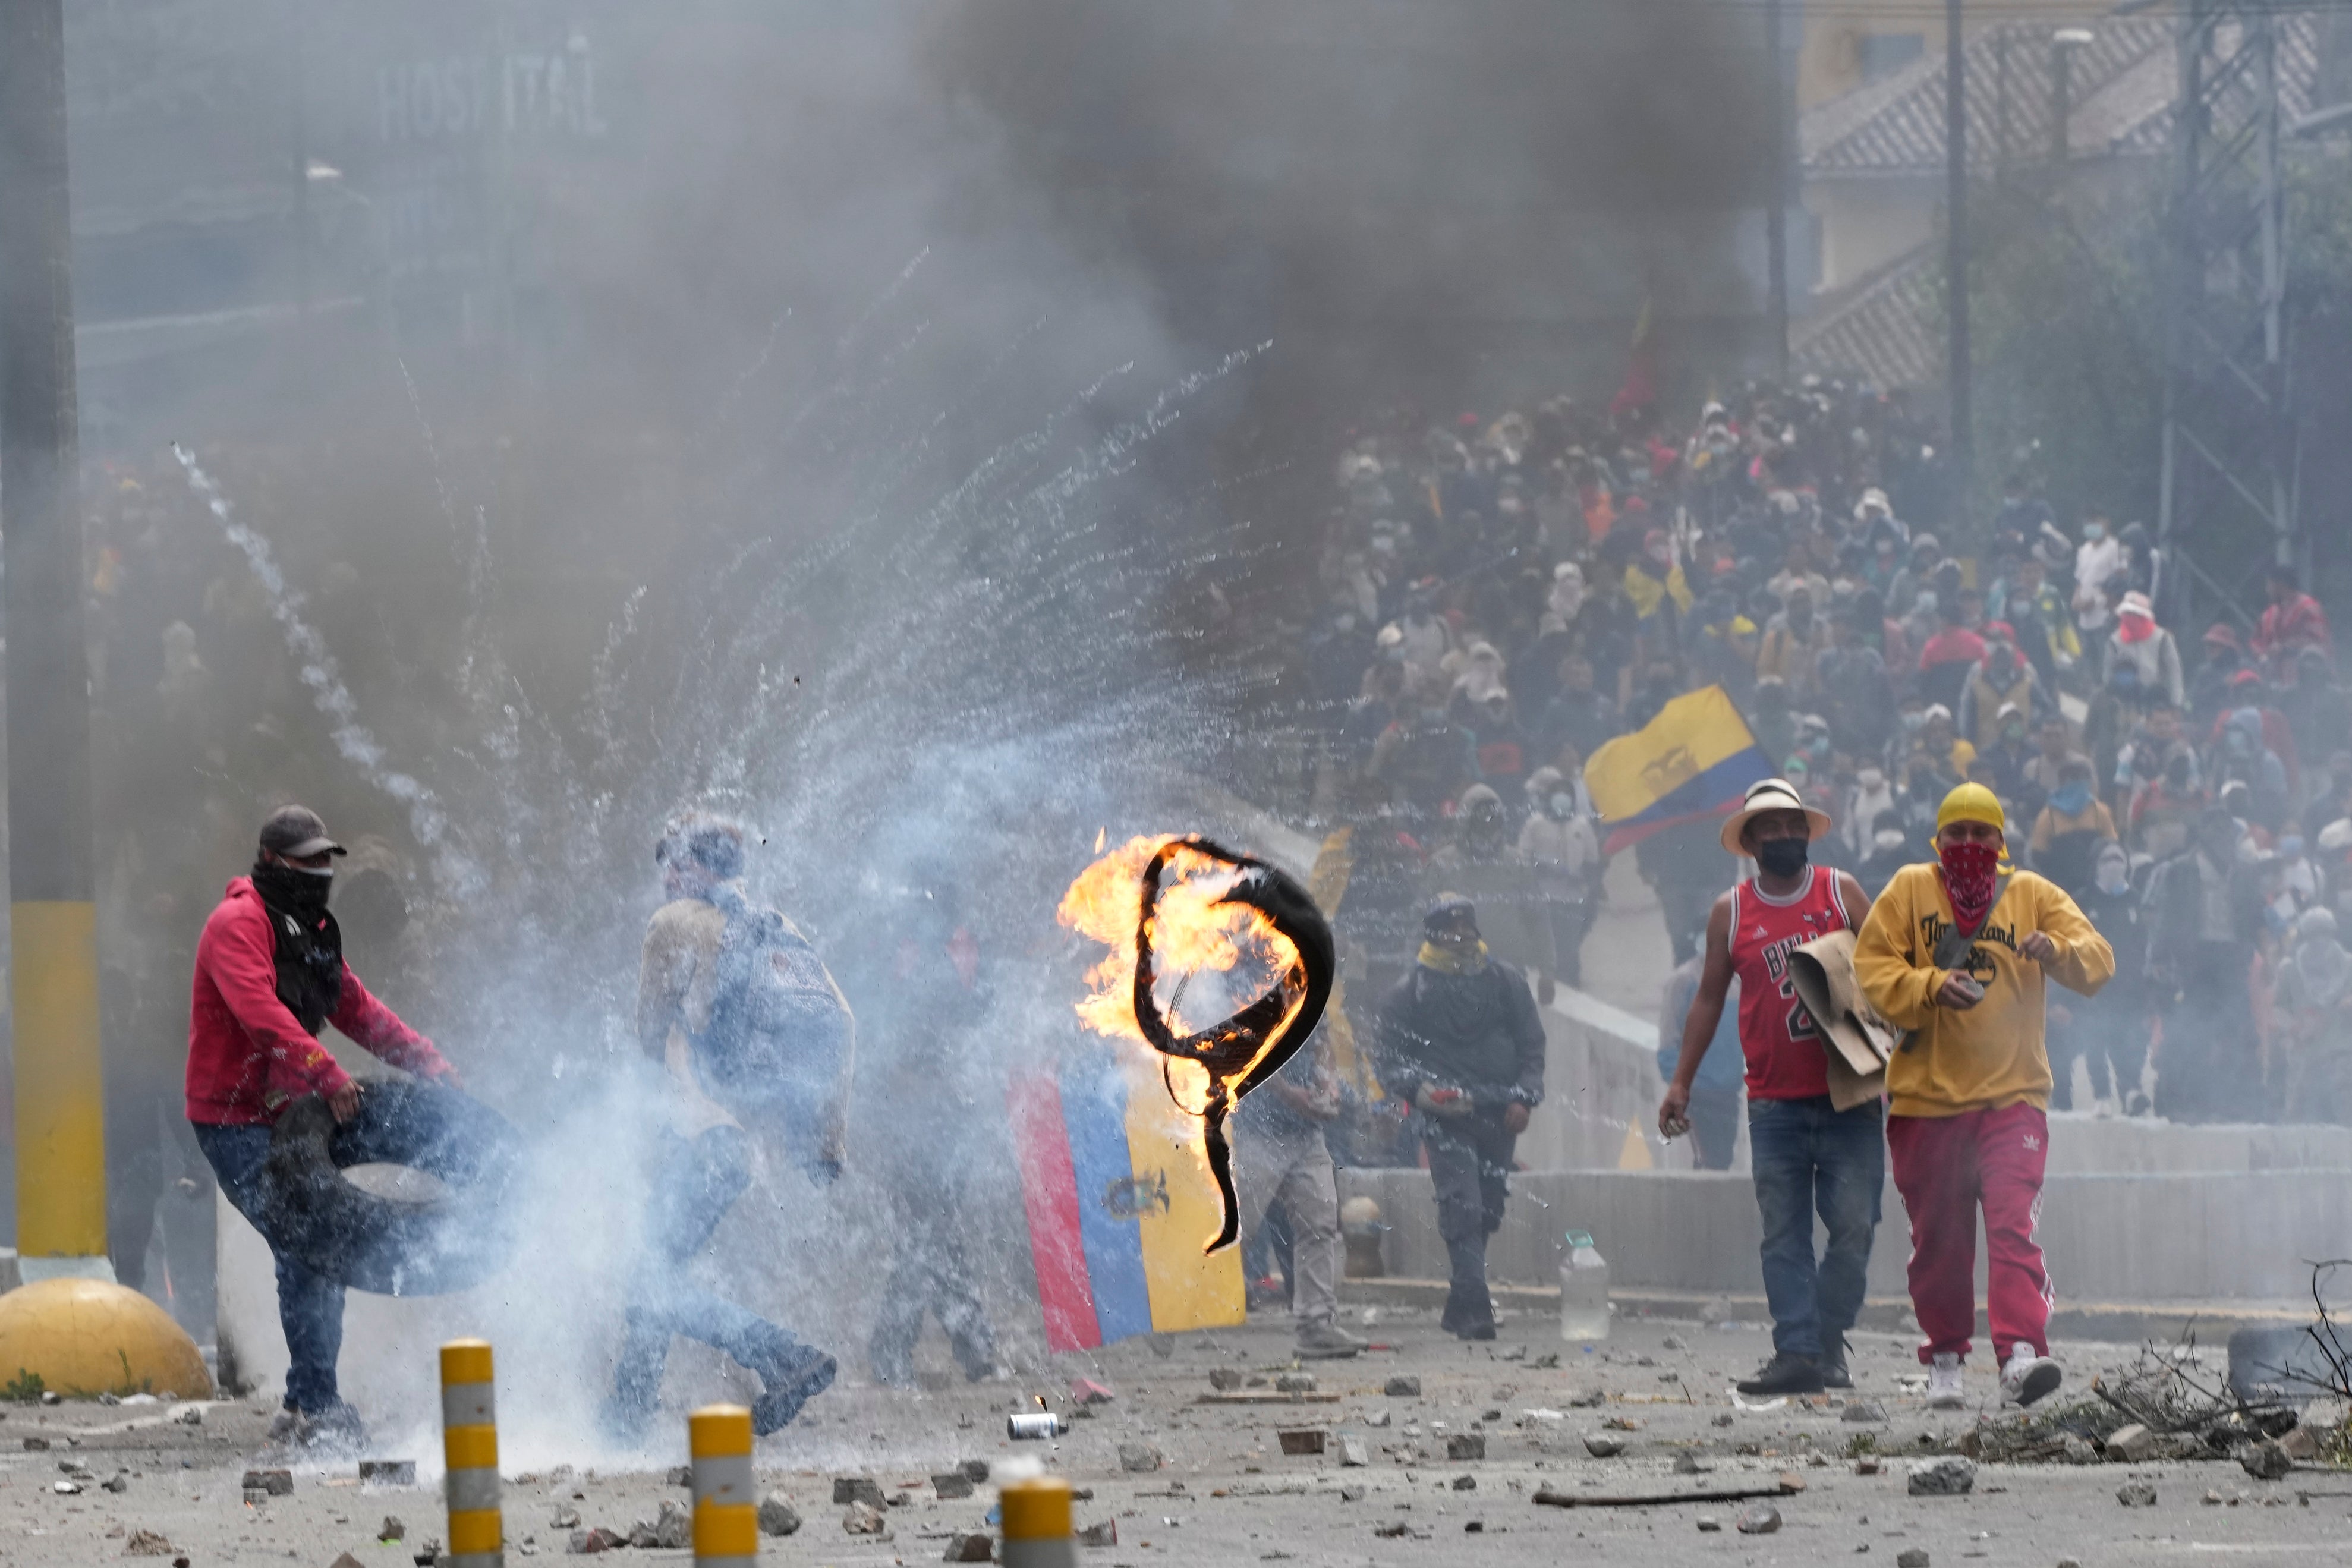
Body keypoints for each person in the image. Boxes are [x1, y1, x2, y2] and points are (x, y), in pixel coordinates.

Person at [187, 806, 458, 1449]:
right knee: (307, 1241)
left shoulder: (308, 930)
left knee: (319, 1243)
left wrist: (431, 1065)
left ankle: (304, 1402)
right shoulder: (236, 925)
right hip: (232, 1119)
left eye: (324, 860)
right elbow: (261, 1013)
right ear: (272, 861)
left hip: (290, 1112)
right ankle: (314, 1407)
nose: (319, 871)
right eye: (306, 860)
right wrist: (328, 1073)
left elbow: (357, 1009)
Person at [1853, 783, 2114, 1411]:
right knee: (1939, 1243)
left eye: (1981, 834)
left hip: (2012, 1099)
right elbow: (1872, 971)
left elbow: (2099, 961)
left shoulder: (2033, 894)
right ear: (1937, 841)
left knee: (2011, 1226)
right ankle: (1945, 1357)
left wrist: (2057, 950)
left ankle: (2020, 1354)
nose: (1968, 844)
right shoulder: (1908, 888)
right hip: (1926, 1105)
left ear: (2001, 842)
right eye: (1957, 834)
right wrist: (1930, 985)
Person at [605, 814, 846, 1443]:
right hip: (744, 1146)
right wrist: (824, 1143)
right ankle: (626, 1414)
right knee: (659, 1267)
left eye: (677, 864)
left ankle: (782, 1354)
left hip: (701, 1137)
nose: (667, 877)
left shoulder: (675, 924)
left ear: (701, 869)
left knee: (648, 1277)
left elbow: (648, 1035)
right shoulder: (777, 928)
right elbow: (840, 1023)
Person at [1657, 779, 1878, 1396]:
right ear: (1750, 842)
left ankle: (1827, 1339)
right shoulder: (1730, 912)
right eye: (1771, 828)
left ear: (1806, 832)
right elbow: (1707, 999)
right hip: (1773, 1101)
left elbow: (1891, 968)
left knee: (1855, 1228)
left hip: (1850, 1094)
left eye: (1792, 826)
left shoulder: (1841, 891)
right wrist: (1681, 1081)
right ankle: (1796, 1351)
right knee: (1783, 1233)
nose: (1784, 836)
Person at [858, 871, 1006, 1389]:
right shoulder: (900, 956)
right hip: (910, 1118)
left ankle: (947, 1345)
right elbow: (884, 1040)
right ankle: (960, 1345)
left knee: (932, 1234)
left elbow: (973, 1020)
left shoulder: (953, 955)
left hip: (946, 1117)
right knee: (929, 1234)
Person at [1374, 895, 1547, 1340]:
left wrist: (1524, 1098)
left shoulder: (1505, 981)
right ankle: (1475, 1309)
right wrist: (1423, 1093)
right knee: (1462, 1205)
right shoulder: (1408, 993)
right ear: (1433, 936)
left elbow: (1531, 1044)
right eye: (1451, 931)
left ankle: (1459, 1301)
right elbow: (1388, 1061)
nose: (1461, 937)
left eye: (1466, 928)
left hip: (1500, 1113)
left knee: (1488, 1207)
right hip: (1445, 1119)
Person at [1232, 1024, 1371, 1359]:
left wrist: (1329, 1083)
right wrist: (1289, 1093)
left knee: (1319, 1222)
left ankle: (1316, 1325)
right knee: (1235, 1230)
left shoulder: (1308, 991)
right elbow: (1244, 1050)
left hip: (1306, 1132)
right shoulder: (1242, 991)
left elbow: (1321, 1040)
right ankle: (1171, 1315)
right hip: (1255, 1130)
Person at [2143, 806, 2266, 1124]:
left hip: (2231, 956)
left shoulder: (2244, 871)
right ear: (2204, 835)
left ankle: (2236, 1101)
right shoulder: (2181, 870)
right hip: (2194, 956)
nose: (2223, 839)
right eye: (2217, 832)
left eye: (2227, 833)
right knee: (2190, 1027)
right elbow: (2166, 916)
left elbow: (2254, 918)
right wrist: (2160, 957)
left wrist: (2253, 949)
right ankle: (2184, 1100)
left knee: (2236, 1026)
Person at [2058, 841, 2151, 1115]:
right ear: (2096, 866)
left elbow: (2145, 942)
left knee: (2129, 1038)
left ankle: (2131, 1089)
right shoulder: (2083, 901)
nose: (2114, 865)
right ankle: (2102, 1095)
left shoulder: (2136, 901)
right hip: (2093, 984)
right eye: (2107, 859)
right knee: (2096, 1037)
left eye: (2119, 859)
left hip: (2129, 985)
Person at [1657, 935, 1746, 1170]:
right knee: (1709, 1161)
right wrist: (1682, 1085)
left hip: (1728, 1093)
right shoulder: (1684, 981)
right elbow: (1668, 1041)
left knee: (1723, 1161)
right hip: (1698, 1094)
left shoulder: (1736, 982)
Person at [2252, 563, 2332, 673]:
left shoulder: (2308, 607)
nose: (2267, 590)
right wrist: (2262, 655)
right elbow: (2257, 640)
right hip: (2275, 678)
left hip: (2307, 675)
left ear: (2281, 584)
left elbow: (2318, 640)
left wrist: (2285, 647)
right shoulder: (2269, 614)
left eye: (2269, 584)